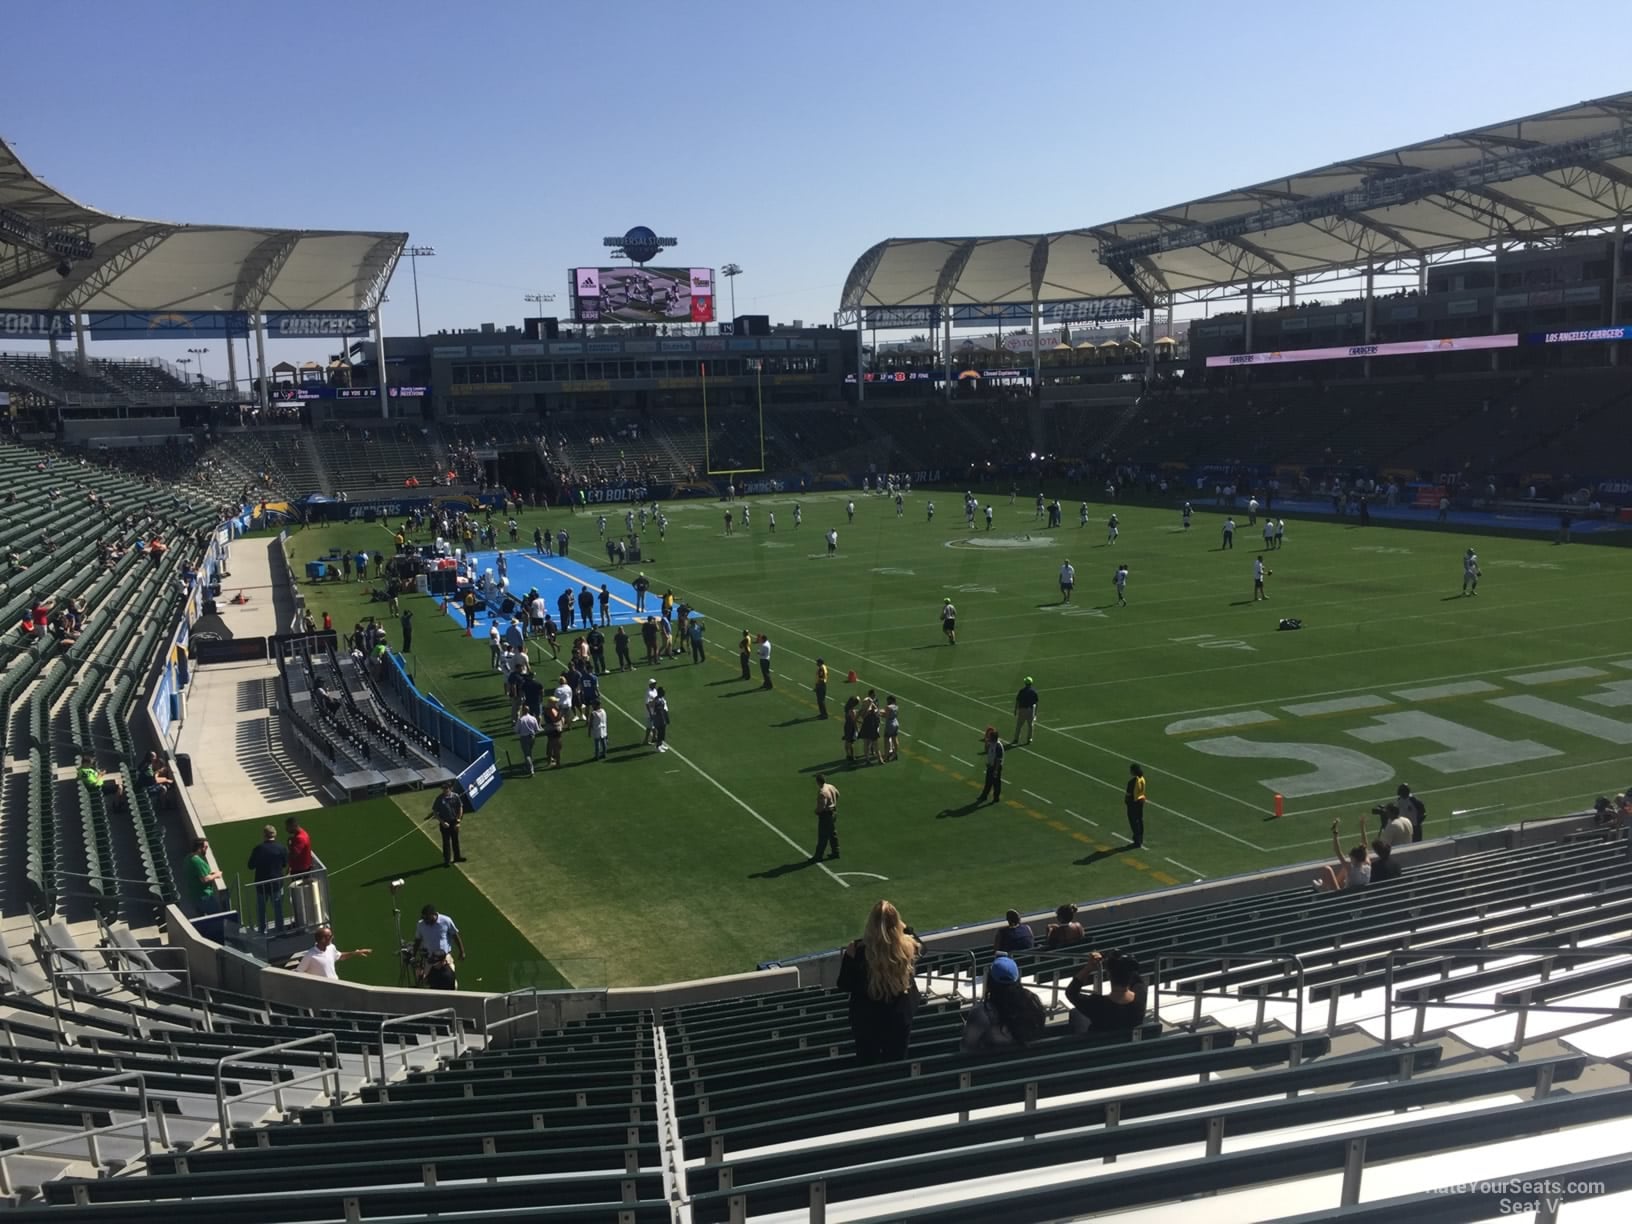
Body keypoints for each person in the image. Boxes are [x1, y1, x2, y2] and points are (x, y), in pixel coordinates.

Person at [835, 900, 919, 1063]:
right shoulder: (908, 946)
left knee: (868, 1063)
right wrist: (903, 928)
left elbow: (844, 984)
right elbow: (919, 943)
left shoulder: (858, 951)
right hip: (899, 1015)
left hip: (867, 1018)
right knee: (897, 1061)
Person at [961, 955, 1048, 1052]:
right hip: (1031, 1064)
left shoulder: (981, 1012)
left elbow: (966, 1048)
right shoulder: (1032, 1003)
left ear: (990, 982)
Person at [1065, 951, 1148, 1034]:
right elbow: (1137, 980)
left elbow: (1071, 992)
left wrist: (1089, 967)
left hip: (1098, 1043)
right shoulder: (1140, 995)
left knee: (1075, 1012)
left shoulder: (1097, 1004)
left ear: (1108, 975)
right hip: (1129, 1043)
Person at [247, 824, 290, 932]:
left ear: (264, 835)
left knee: (261, 908)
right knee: (278, 908)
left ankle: (262, 930)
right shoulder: (281, 848)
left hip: (261, 884)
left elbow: (250, 866)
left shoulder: (258, 849)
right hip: (276, 883)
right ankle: (280, 930)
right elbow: (285, 864)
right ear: (275, 834)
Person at [1315, 817, 1372, 892]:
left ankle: (1323, 887)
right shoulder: (1368, 866)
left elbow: (1337, 851)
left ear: (1354, 858)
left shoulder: (1350, 868)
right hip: (1356, 895)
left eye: (1351, 857)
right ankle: (1325, 885)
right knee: (1344, 869)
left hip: (1344, 896)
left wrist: (1335, 833)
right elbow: (1365, 846)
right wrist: (1362, 826)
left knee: (1327, 869)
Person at [296, 926, 372, 980]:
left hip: (336, 984)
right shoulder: (310, 955)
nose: (332, 937)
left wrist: (355, 953)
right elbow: (298, 972)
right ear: (322, 939)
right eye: (330, 936)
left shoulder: (331, 947)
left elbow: (340, 956)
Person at [427, 782, 465, 867]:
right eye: (443, 788)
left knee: (455, 840)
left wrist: (458, 821)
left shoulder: (455, 796)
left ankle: (457, 857)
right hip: (445, 823)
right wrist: (442, 822)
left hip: (454, 821)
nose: (444, 790)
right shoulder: (439, 799)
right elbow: (435, 812)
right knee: (446, 842)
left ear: (450, 788)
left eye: (446, 788)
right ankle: (447, 860)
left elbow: (460, 807)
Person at [187, 837, 225, 915]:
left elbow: (196, 875)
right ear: (200, 848)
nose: (206, 849)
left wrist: (211, 874)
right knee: (217, 917)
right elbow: (204, 879)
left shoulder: (188, 858)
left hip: (194, 896)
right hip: (204, 896)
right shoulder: (197, 861)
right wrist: (217, 875)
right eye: (205, 847)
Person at [810, 773, 841, 862]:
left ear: (818, 782)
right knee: (832, 834)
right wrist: (833, 804)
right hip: (833, 812)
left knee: (822, 836)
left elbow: (822, 806)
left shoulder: (822, 792)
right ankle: (836, 852)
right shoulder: (830, 786)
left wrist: (817, 811)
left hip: (826, 815)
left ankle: (818, 856)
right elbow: (838, 794)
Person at [978, 726, 1004, 803]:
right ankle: (984, 796)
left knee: (996, 783)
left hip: (996, 767)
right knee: (988, 782)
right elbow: (986, 750)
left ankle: (996, 797)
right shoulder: (992, 743)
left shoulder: (998, 746)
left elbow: (999, 760)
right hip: (990, 766)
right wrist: (986, 742)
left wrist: (996, 770)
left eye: (990, 737)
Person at [1125, 762, 1147, 848]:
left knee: (1133, 821)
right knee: (1140, 820)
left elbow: (1128, 794)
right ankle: (1140, 837)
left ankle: (1137, 839)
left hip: (1133, 803)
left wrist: (1126, 802)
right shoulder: (1142, 779)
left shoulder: (1132, 782)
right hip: (1140, 801)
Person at [1013, 677, 1039, 746]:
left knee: (1019, 725)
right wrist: (1035, 713)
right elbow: (1036, 703)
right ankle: (1029, 738)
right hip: (1030, 710)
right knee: (1030, 726)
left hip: (1022, 710)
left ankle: (1016, 738)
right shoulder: (1034, 692)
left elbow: (1017, 701)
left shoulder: (1021, 691)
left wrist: (1015, 710)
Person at [515, 709, 541, 775]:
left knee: (527, 754)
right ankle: (528, 765)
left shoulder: (521, 719)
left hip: (524, 738)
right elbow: (537, 729)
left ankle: (531, 769)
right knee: (529, 751)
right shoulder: (533, 718)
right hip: (532, 737)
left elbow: (517, 730)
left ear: (523, 711)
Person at [651, 686, 670, 753]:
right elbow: (653, 707)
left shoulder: (661, 699)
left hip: (663, 717)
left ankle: (661, 744)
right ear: (660, 692)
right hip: (659, 718)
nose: (664, 693)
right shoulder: (657, 700)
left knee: (663, 732)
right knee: (660, 732)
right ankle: (657, 746)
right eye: (663, 692)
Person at [882, 695, 901, 762]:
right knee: (895, 739)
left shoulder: (888, 707)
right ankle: (895, 754)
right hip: (896, 723)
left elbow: (886, 715)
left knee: (886, 740)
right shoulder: (896, 706)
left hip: (890, 724)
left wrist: (879, 714)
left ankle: (886, 756)